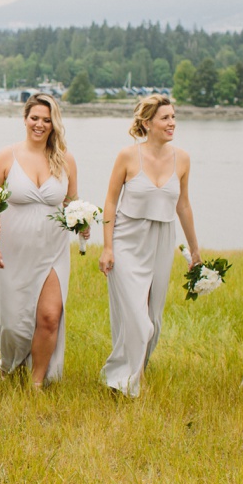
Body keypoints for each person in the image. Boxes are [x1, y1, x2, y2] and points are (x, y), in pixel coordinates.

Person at [98, 94, 200, 397]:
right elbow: (110, 202)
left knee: (152, 317)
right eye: (165, 118)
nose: (172, 123)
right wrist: (107, 247)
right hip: (127, 239)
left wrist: (194, 250)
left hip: (162, 240)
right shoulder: (128, 156)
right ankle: (126, 380)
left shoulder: (182, 158)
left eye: (173, 117)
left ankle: (136, 367)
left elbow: (183, 205)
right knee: (135, 316)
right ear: (147, 123)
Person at [0, 93, 82, 389]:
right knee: (14, 323)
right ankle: (9, 364)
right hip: (13, 250)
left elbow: (71, 203)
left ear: (54, 123)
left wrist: (83, 222)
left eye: (46, 119)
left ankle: (37, 382)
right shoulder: (6, 156)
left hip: (53, 249)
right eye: (34, 118)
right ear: (25, 119)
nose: (39, 124)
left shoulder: (65, 159)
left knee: (50, 317)